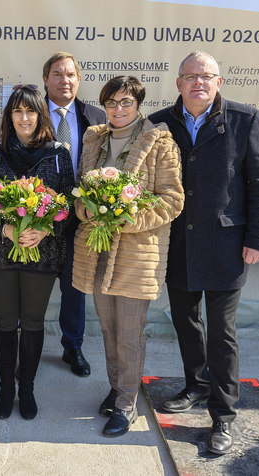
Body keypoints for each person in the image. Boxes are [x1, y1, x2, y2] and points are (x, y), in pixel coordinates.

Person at [149, 51, 259, 454]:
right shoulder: (159, 124)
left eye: (207, 76)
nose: (198, 82)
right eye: (190, 76)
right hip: (178, 244)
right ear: (178, 83)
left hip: (226, 246)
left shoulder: (245, 120)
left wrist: (258, 238)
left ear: (219, 82)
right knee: (185, 321)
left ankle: (223, 416)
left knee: (222, 332)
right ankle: (196, 385)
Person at [72, 76, 184, 437]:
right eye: (112, 103)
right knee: (107, 327)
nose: (118, 110)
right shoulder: (95, 140)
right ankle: (118, 386)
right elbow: (79, 191)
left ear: (138, 105)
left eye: (126, 102)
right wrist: (87, 211)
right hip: (99, 248)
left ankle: (127, 403)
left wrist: (127, 217)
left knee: (130, 332)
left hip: (138, 253)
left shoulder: (160, 143)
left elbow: (171, 200)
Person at [0, 84, 74, 420]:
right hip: (0, 254)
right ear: (9, 116)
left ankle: (26, 387)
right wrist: (4, 227)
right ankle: (6, 387)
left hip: (42, 255)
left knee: (31, 321)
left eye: (30, 111)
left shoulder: (59, 153)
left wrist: (45, 227)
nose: (24, 117)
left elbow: (68, 201)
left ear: (40, 114)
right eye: (18, 111)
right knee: (4, 321)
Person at [42, 52, 106, 378]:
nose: (64, 80)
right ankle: (28, 347)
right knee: (33, 287)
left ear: (78, 79)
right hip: (37, 218)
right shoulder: (30, 113)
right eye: (57, 74)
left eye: (70, 75)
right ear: (46, 79)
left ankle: (73, 347)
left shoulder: (95, 116)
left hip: (80, 218)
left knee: (75, 287)